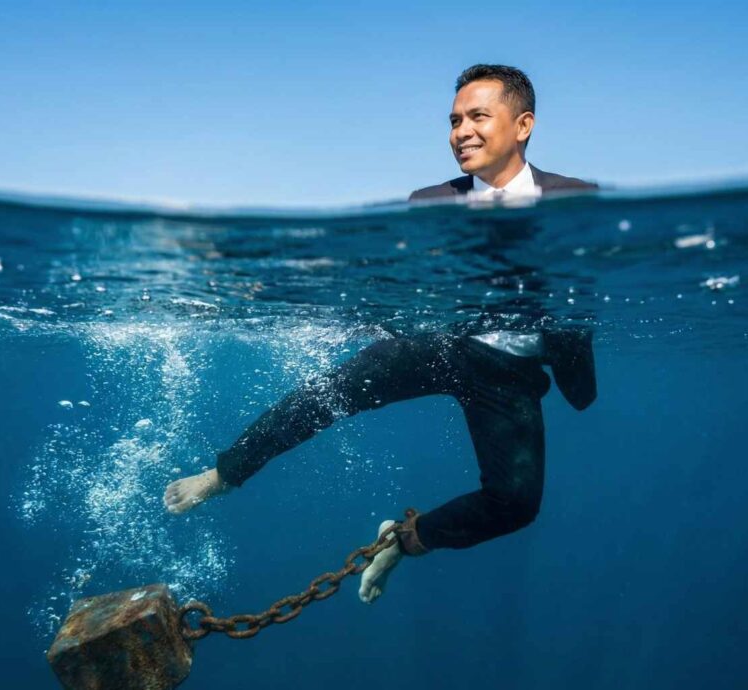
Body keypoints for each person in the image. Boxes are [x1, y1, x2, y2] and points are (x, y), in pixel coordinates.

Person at [165, 64, 598, 604]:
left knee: (517, 503)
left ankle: (403, 542)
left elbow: (588, 290)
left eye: (478, 117)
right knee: (330, 394)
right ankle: (224, 473)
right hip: (443, 347)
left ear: (523, 125)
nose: (460, 131)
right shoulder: (429, 203)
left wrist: (567, 343)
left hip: (512, 372)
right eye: (454, 120)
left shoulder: (576, 200)